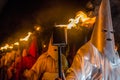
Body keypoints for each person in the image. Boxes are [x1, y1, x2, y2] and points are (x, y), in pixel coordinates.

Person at [66, 0, 120, 80]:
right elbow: (74, 76)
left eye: (111, 32)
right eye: (105, 31)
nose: (108, 36)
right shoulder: (86, 53)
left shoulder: (115, 55)